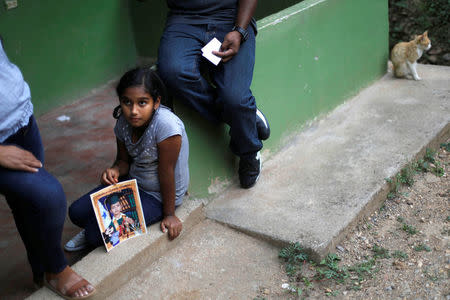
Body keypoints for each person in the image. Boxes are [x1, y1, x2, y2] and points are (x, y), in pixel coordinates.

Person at [0, 37, 96, 299]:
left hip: (21, 119)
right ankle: (55, 268)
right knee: (49, 195)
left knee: (25, 203)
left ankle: (39, 269)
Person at [65, 67, 189, 251]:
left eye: (142, 103)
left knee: (93, 234)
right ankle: (99, 225)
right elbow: (123, 161)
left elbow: (167, 172)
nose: (133, 111)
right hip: (133, 181)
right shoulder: (124, 122)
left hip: (158, 195)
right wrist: (114, 170)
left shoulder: (166, 126)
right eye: (127, 102)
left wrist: (169, 214)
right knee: (76, 212)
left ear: (156, 102)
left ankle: (98, 230)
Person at [157, 0, 270, 189]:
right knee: (172, 71)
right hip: (184, 20)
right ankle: (246, 116)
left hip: (231, 18)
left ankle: (249, 151)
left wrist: (240, 30)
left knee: (235, 97)